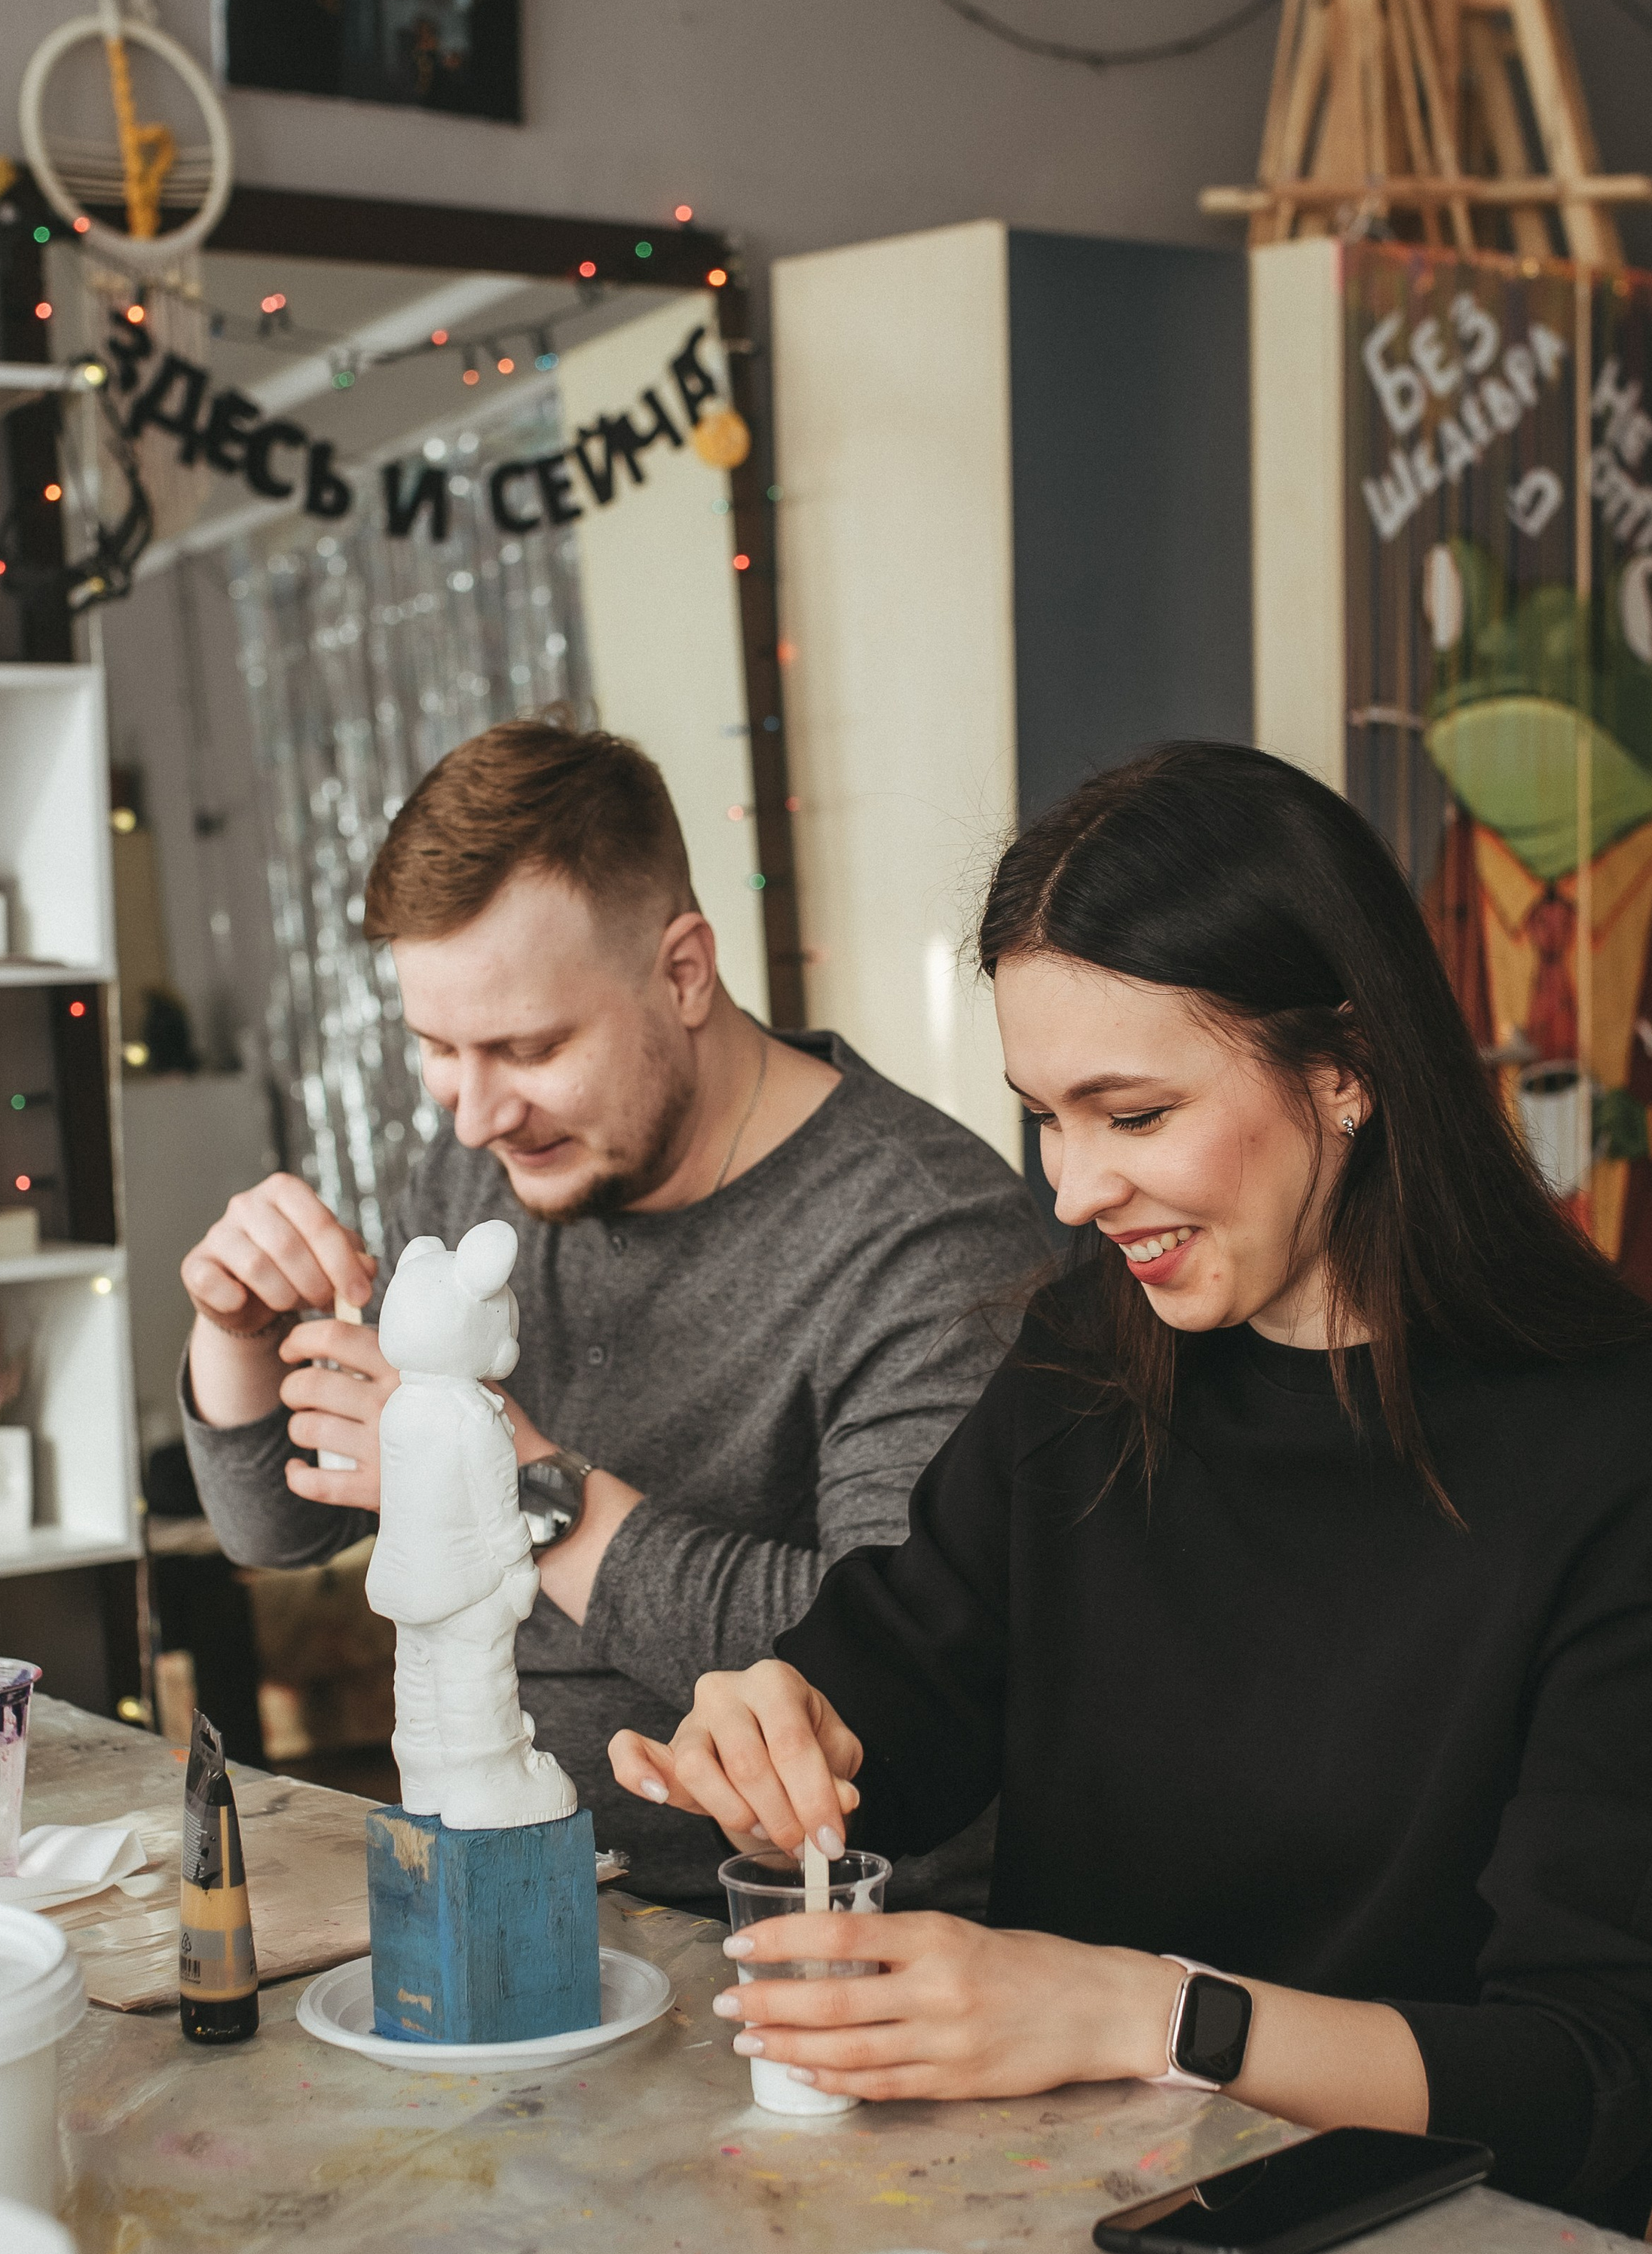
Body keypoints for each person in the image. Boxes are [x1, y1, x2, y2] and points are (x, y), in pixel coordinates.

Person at [610, 741, 1652, 2234]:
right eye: (1043, 1116)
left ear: (1349, 1067)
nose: (1067, 1190)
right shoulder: (1088, 1362)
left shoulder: (1615, 1457)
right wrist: (778, 1726)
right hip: (1077, 2221)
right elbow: (897, 1697)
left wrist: (1147, 2016)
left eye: (1131, 1116)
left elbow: (1582, 2076)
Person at [179, 719, 1042, 1907]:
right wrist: (233, 1329)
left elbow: (900, 1667)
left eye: (528, 1046)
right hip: (484, 1888)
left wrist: (524, 1489)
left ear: (684, 970)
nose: (475, 1112)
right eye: (438, 1047)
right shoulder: (492, 1165)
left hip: (789, 1939)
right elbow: (276, 1529)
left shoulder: (925, 1237)